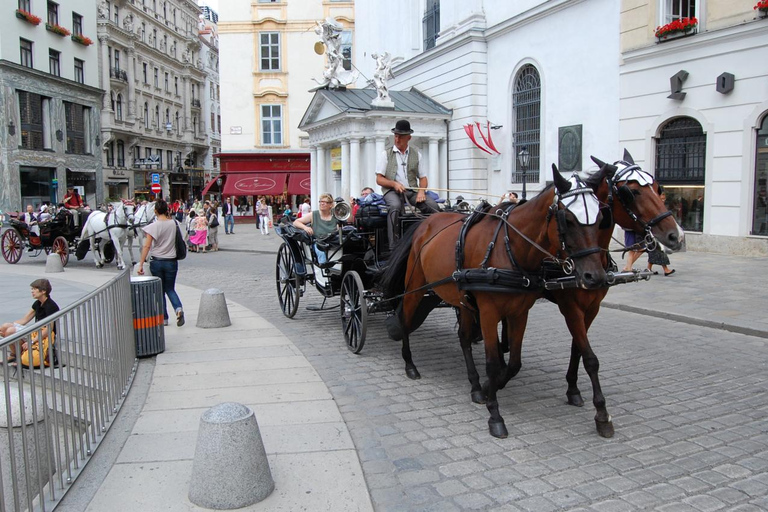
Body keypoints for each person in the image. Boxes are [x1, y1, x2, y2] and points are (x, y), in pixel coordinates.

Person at [376, 119, 439, 249]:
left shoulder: (417, 154)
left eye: (401, 137)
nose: (397, 139)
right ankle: (394, 246)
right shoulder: (386, 154)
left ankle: (435, 238)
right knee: (395, 206)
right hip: (391, 191)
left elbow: (423, 178)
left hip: (411, 191)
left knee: (432, 206)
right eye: (396, 136)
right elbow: (379, 179)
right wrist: (394, 184)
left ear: (408, 138)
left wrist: (421, 191)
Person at [137, 199, 185, 327]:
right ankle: (178, 309)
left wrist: (141, 263)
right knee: (170, 288)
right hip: (171, 262)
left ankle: (164, 318)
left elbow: (146, 246)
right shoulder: (174, 224)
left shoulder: (153, 227)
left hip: (157, 261)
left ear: (155, 211)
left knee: (160, 290)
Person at [1, 279, 59, 367]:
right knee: (5, 327)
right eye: (32, 289)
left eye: (34, 289)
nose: (32, 291)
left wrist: (31, 341)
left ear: (43, 291)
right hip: (36, 330)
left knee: (10, 331)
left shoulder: (51, 306)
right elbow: (24, 320)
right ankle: (14, 354)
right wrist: (5, 327)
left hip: (45, 334)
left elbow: (49, 329)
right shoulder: (38, 303)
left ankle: (20, 356)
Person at [293, 193, 337, 264]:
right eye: (320, 202)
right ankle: (323, 269)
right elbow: (296, 222)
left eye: (325, 202)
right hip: (319, 242)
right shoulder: (313, 214)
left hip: (333, 242)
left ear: (330, 205)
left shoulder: (335, 215)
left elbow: (349, 220)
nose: (322, 204)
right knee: (322, 254)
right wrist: (305, 227)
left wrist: (351, 206)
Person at [647, 190, 675, 277]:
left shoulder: (662, 207)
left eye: (664, 199)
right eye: (661, 199)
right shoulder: (655, 207)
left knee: (655, 251)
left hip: (659, 231)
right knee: (660, 250)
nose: (663, 200)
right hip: (654, 231)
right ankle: (666, 269)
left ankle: (648, 268)